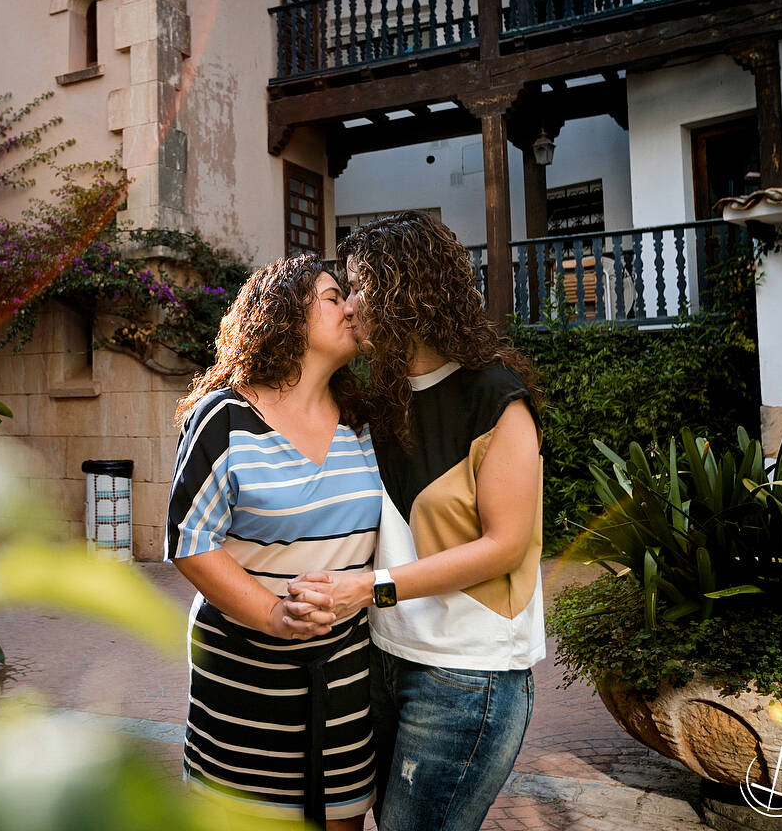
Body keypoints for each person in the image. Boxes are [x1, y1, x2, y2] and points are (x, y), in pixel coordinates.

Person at [287, 211, 544, 831]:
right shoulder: (382, 398)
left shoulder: (495, 397)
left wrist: (368, 588)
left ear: (403, 289)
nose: (348, 305)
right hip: (384, 655)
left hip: (468, 674)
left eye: (358, 286)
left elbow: (505, 547)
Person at [166, 254, 383, 831]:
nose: (351, 307)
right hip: (242, 685)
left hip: (342, 681)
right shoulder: (225, 416)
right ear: (284, 313)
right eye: (334, 296)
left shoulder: (364, 422)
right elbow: (190, 540)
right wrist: (273, 615)